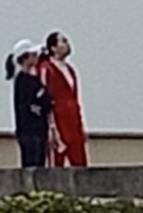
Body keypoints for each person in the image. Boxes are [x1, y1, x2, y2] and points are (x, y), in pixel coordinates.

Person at [40, 31, 88, 168]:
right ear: (53, 48)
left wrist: (81, 125)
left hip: (73, 122)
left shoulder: (71, 70)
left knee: (79, 161)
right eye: (63, 41)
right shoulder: (47, 69)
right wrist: (51, 128)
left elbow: (76, 99)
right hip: (58, 122)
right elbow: (45, 98)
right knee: (58, 161)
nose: (67, 44)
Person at [6, 40, 52, 169]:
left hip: (40, 129)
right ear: (25, 57)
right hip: (29, 131)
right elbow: (29, 105)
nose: (37, 57)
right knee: (31, 163)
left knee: (41, 164)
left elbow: (46, 102)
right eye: (33, 54)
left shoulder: (35, 80)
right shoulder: (22, 81)